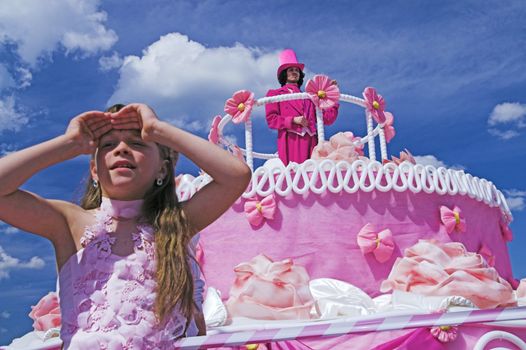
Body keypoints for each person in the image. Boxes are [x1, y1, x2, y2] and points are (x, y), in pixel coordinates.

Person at [0, 103, 251, 349]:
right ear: (94, 171)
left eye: (138, 143)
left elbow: (235, 176)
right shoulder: (69, 222)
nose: (121, 149)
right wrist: (68, 144)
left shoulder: (176, 223)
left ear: (162, 170)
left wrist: (157, 129)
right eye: (108, 145)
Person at [265, 49, 340, 165]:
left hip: (312, 141)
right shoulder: (275, 94)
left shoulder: (309, 97)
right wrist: (293, 120)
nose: (295, 72)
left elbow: (327, 119)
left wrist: (332, 96)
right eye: (291, 70)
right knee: (295, 175)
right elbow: (271, 120)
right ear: (284, 73)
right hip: (291, 141)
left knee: (313, 175)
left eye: (297, 70)